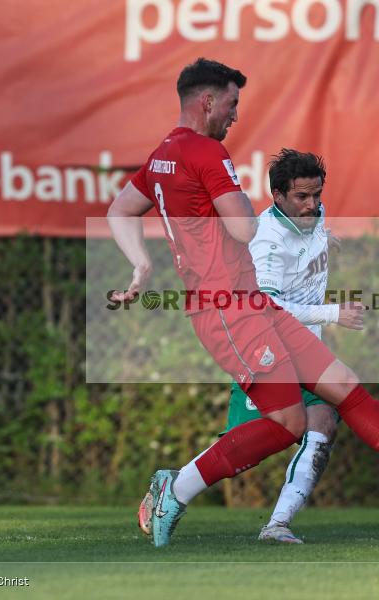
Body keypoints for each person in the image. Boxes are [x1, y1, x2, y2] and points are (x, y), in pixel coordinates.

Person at [108, 58, 379, 548]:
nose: (234, 116)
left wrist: (141, 265)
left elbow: (120, 209)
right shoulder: (207, 152)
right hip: (225, 308)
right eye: (231, 105)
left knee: (343, 387)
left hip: (247, 303)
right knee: (289, 424)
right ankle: (177, 487)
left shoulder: (162, 155)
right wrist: (237, 203)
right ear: (207, 101)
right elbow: (243, 227)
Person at [139, 149, 363, 544]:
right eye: (303, 197)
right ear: (277, 195)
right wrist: (332, 314)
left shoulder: (312, 217)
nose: (313, 205)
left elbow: (307, 246)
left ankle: (277, 524)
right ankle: (172, 487)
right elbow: (268, 304)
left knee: (324, 421)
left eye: (318, 195)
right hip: (267, 351)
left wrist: (325, 241)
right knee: (246, 446)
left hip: (307, 357)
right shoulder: (264, 239)